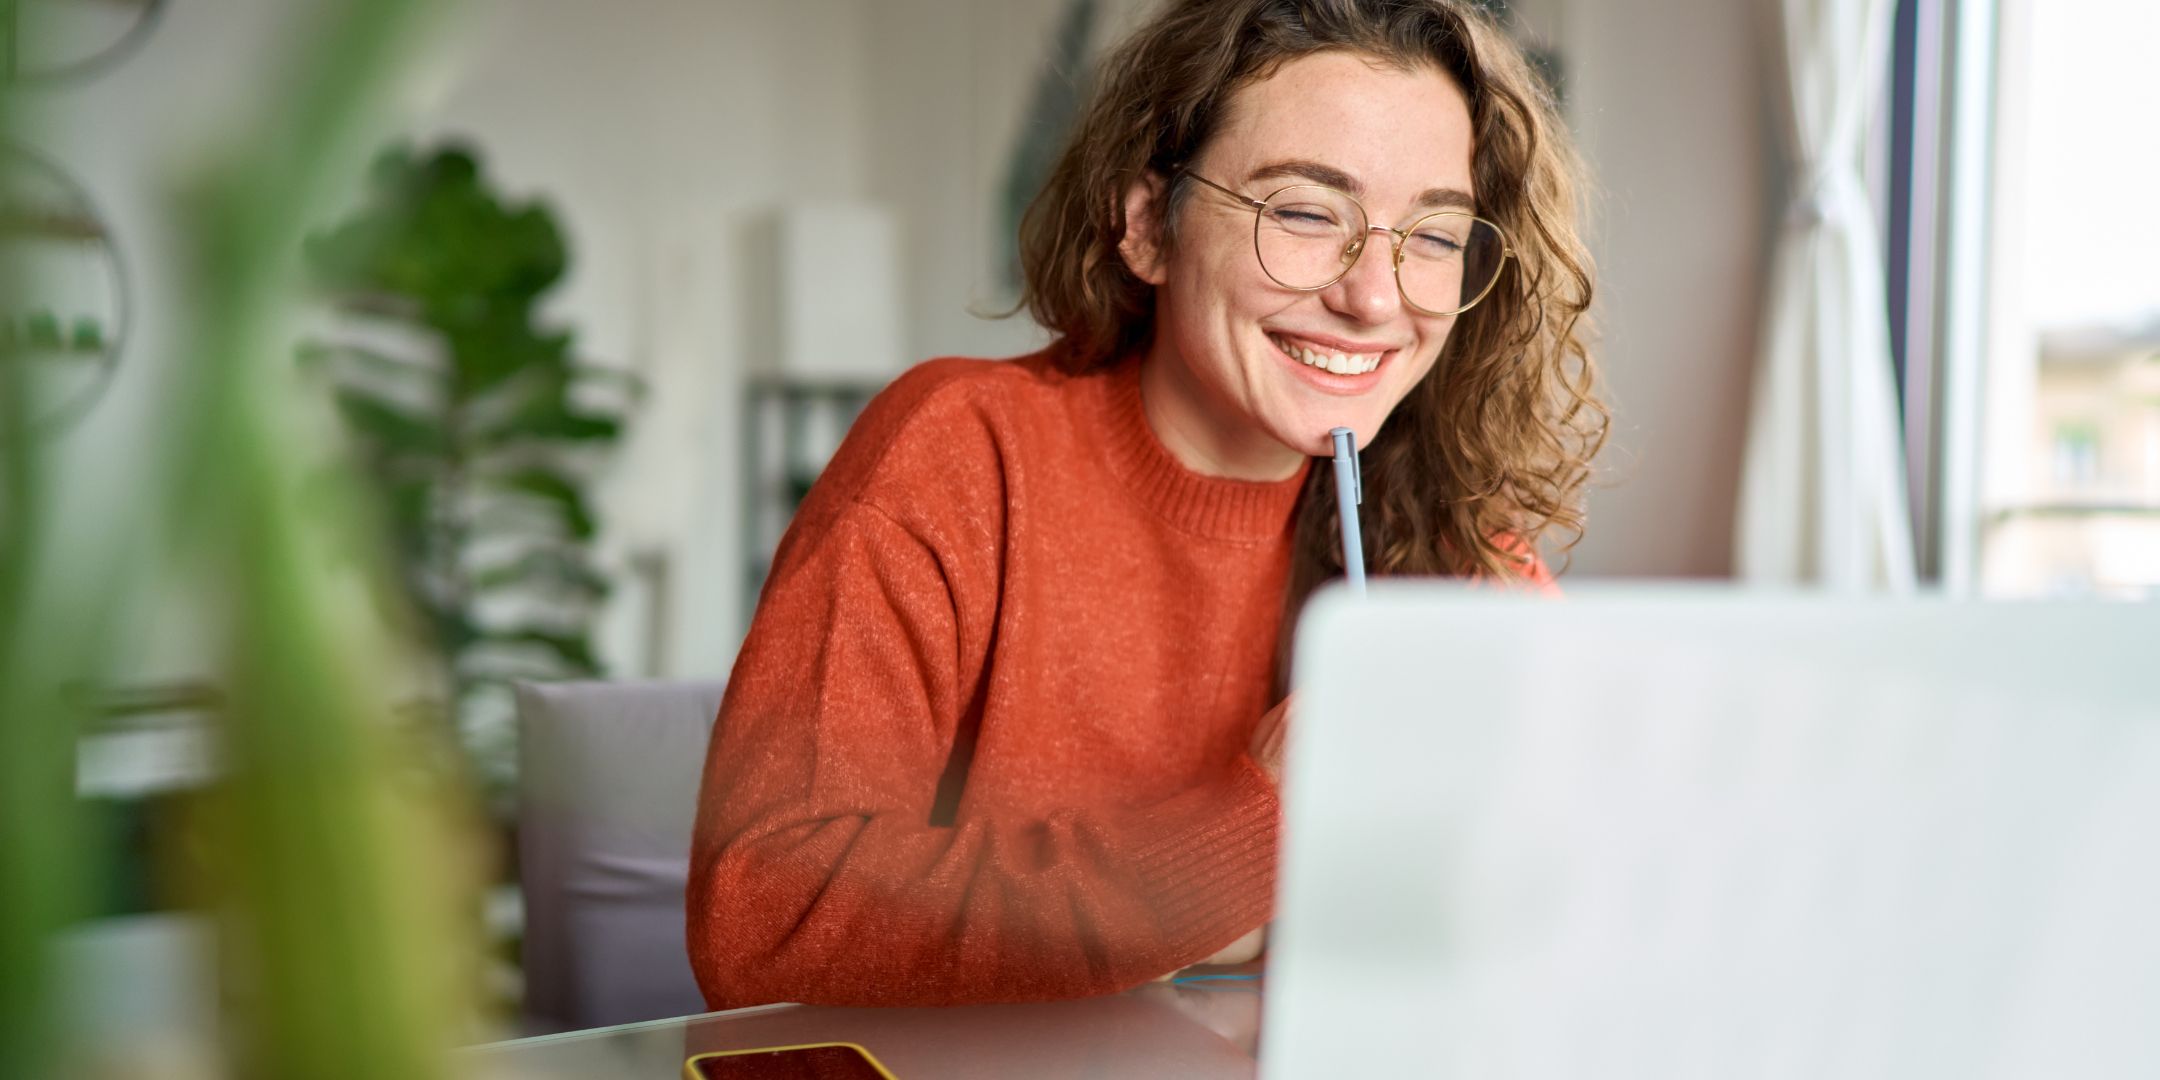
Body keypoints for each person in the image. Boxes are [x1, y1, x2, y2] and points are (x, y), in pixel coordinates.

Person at [687, 0, 1604, 1010]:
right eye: (1304, 212)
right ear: (1145, 226)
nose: (1376, 298)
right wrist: (1251, 836)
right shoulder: (958, 453)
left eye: (1432, 235)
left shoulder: (1453, 545)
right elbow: (766, 921)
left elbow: (1574, 918)